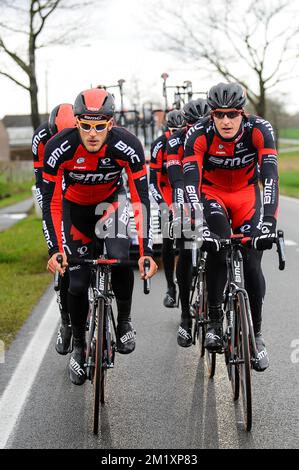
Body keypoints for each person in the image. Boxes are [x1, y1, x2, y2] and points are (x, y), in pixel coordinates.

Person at [42, 88, 157, 385]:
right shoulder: (59, 147)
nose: (93, 133)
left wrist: (146, 249)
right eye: (86, 125)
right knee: (77, 283)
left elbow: (139, 199)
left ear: (111, 123)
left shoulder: (127, 145)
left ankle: (125, 321)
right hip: (74, 212)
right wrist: (55, 248)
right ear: (77, 122)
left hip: (110, 208)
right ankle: (79, 346)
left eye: (100, 125)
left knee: (119, 261)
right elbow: (52, 203)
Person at [183, 82, 279, 371]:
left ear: (243, 113)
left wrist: (269, 223)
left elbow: (271, 178)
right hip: (213, 196)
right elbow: (190, 184)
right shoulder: (198, 134)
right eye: (219, 114)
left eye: (233, 114)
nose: (226, 121)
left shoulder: (260, 130)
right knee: (217, 246)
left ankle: (256, 335)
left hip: (246, 197)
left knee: (251, 264)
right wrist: (198, 226)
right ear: (212, 114)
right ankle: (213, 321)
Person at [31, 103, 76, 355]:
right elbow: (43, 188)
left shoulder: (83, 133)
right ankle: (66, 320)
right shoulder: (40, 138)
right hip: (52, 188)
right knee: (62, 252)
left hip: (77, 183)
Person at [166, 99, 211, 347]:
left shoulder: (213, 136)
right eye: (192, 124)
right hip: (184, 193)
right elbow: (177, 181)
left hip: (212, 193)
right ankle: (185, 316)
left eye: (201, 123)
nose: (197, 128)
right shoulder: (175, 141)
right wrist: (181, 212)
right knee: (184, 248)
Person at [149, 110, 185, 308]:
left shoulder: (192, 140)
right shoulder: (159, 145)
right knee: (168, 241)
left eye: (181, 130)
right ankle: (171, 287)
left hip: (188, 191)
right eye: (173, 130)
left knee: (191, 242)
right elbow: (152, 182)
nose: (177, 134)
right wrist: (164, 206)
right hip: (166, 193)